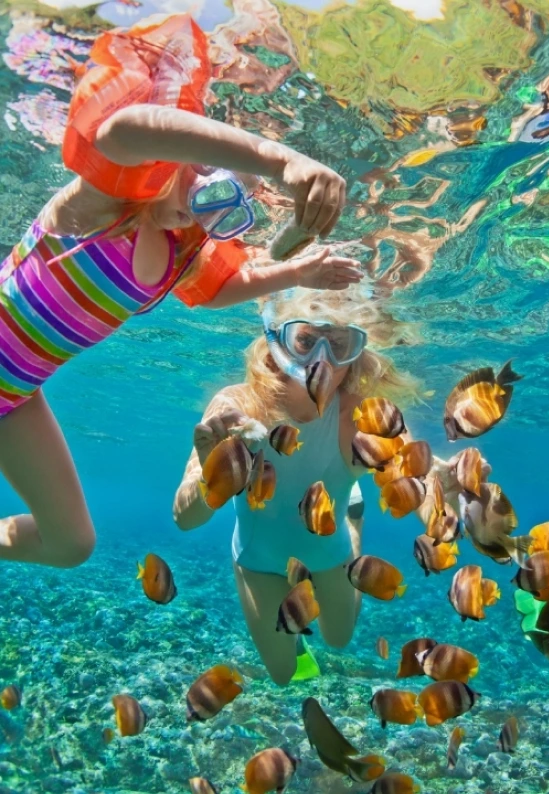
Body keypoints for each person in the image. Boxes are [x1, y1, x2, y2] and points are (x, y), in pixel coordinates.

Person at [0, 14, 363, 570]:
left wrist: (295, 273)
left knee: (70, 545)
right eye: (206, 177)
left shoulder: (177, 252)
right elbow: (123, 130)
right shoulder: (106, 203)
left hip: (15, 396)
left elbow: (222, 289)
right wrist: (280, 160)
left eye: (224, 208)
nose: (201, 205)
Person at [172, 285, 424, 684]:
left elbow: (413, 471)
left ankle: (353, 523)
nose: (320, 360)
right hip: (258, 559)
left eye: (338, 345)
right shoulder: (238, 406)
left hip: (329, 550)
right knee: (283, 673)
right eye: (305, 341)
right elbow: (184, 519)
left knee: (339, 638)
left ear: (355, 355)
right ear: (276, 341)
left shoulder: (361, 411)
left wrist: (444, 490)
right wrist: (211, 475)